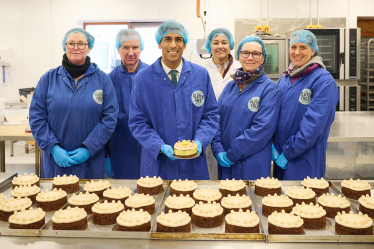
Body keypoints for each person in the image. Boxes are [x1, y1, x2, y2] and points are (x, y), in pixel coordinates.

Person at [129, 20, 219, 180]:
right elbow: (138, 122)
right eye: (167, 39)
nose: (173, 45)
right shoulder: (143, 78)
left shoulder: (200, 75)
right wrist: (159, 146)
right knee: (156, 203)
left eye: (178, 39)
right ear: (159, 44)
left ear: (184, 44)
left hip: (193, 163)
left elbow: (210, 115)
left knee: (196, 203)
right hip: (158, 163)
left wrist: (200, 141)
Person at [29, 27, 119, 179]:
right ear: (65, 46)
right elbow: (37, 118)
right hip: (55, 161)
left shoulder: (103, 80)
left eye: (81, 44)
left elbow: (110, 118)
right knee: (54, 199)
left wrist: (88, 148)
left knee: (90, 200)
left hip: (91, 159)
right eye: (71, 43)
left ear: (89, 48)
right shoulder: (48, 79)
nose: (76, 47)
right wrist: (53, 148)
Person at [272, 30, 339, 180]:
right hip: (279, 158)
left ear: (313, 50)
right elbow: (273, 115)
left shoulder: (323, 81)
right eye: (293, 47)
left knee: (305, 201)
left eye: (303, 47)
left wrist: (288, 153)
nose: (297, 52)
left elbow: (313, 126)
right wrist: (272, 147)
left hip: (306, 159)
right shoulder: (285, 80)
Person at [211, 36, 280, 180]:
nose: (250, 57)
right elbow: (216, 119)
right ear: (239, 57)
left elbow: (262, 128)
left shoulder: (269, 89)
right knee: (228, 200)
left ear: (262, 59)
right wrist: (217, 149)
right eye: (245, 53)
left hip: (253, 162)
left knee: (251, 200)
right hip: (225, 161)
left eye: (256, 54)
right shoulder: (230, 86)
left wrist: (232, 154)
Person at [106, 29, 148, 179]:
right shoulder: (108, 81)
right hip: (120, 147)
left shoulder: (153, 76)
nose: (131, 52)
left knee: (151, 190)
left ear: (141, 49)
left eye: (135, 47)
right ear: (118, 50)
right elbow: (103, 119)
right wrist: (106, 154)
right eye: (125, 47)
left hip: (149, 145)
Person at [202, 28, 241, 180]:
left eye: (224, 42)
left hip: (234, 126)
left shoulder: (240, 67)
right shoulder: (200, 69)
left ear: (230, 45)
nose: (220, 46)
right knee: (210, 170)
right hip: (208, 127)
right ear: (209, 46)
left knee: (233, 178)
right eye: (215, 42)